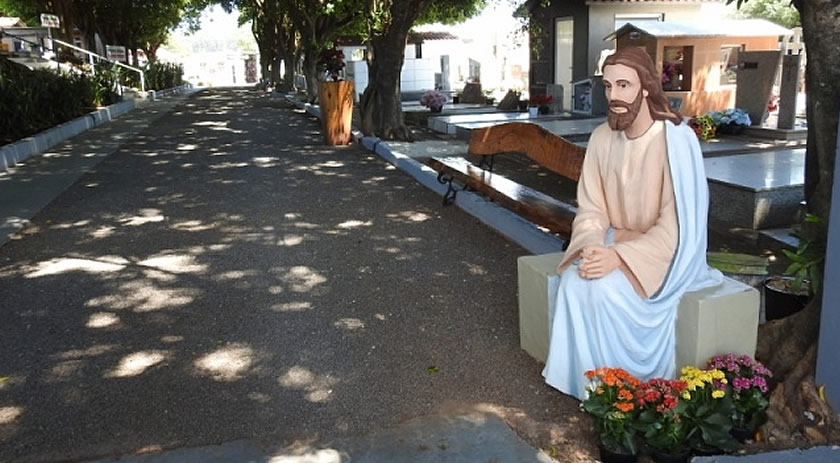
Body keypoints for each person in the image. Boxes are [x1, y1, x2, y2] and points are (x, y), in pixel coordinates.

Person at [542, 47, 723, 400]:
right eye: (608, 86)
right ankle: (589, 385)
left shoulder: (676, 140)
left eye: (624, 85)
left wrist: (620, 257)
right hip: (613, 242)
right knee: (575, 282)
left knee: (605, 290)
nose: (614, 96)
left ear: (646, 87)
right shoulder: (602, 137)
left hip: (661, 256)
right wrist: (593, 246)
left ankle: (625, 390)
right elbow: (592, 208)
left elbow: (677, 226)